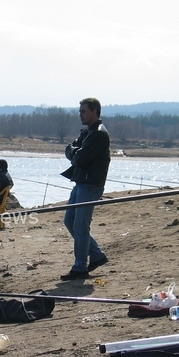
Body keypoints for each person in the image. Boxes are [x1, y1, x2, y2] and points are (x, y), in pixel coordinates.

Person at [60, 97, 111, 281]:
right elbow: (70, 150)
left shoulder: (98, 134)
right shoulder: (88, 132)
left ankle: (80, 266)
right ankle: (96, 255)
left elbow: (79, 158)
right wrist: (74, 152)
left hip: (91, 185)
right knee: (70, 220)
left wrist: (74, 152)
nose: (80, 114)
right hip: (81, 182)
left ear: (94, 111)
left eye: (83, 111)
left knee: (81, 225)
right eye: (80, 111)